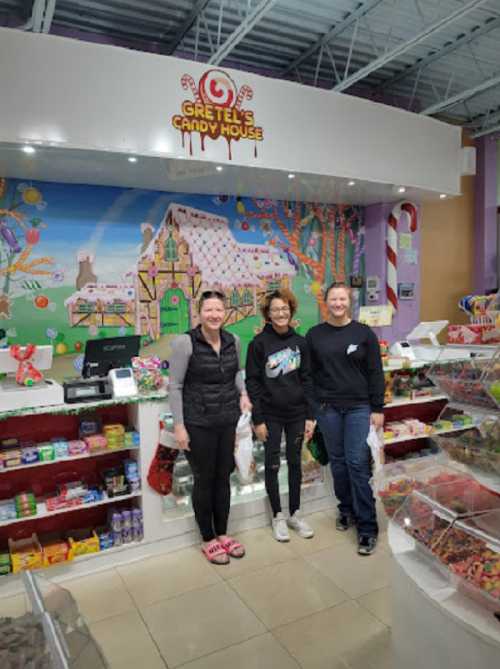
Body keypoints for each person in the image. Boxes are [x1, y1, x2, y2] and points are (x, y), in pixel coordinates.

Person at [169, 290, 252, 565]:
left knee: (223, 476)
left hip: (227, 420)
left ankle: (223, 533)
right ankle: (207, 538)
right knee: (204, 479)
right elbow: (175, 385)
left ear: (225, 312)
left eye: (219, 310)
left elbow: (236, 373)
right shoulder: (185, 342)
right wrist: (179, 426)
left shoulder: (233, 340)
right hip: (198, 422)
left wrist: (243, 393)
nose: (214, 315)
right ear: (199, 313)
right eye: (208, 310)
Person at [306, 282, 385, 556]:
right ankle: (346, 510)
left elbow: (376, 372)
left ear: (349, 302)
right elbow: (309, 376)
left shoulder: (364, 334)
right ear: (326, 302)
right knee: (338, 464)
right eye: (333, 299)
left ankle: (367, 527)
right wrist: (314, 409)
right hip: (328, 410)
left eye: (343, 299)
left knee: (357, 463)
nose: (338, 303)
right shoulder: (315, 335)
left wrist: (378, 408)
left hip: (358, 409)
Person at [245, 289, 316, 542]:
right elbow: (252, 383)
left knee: (296, 463)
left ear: (291, 310)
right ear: (268, 314)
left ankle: (295, 513)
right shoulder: (258, 344)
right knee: (272, 465)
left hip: (297, 414)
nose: (281, 313)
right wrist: (258, 419)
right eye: (275, 309)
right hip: (271, 416)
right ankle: (277, 515)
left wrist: (310, 415)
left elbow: (308, 380)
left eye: (285, 308)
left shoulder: (301, 343)